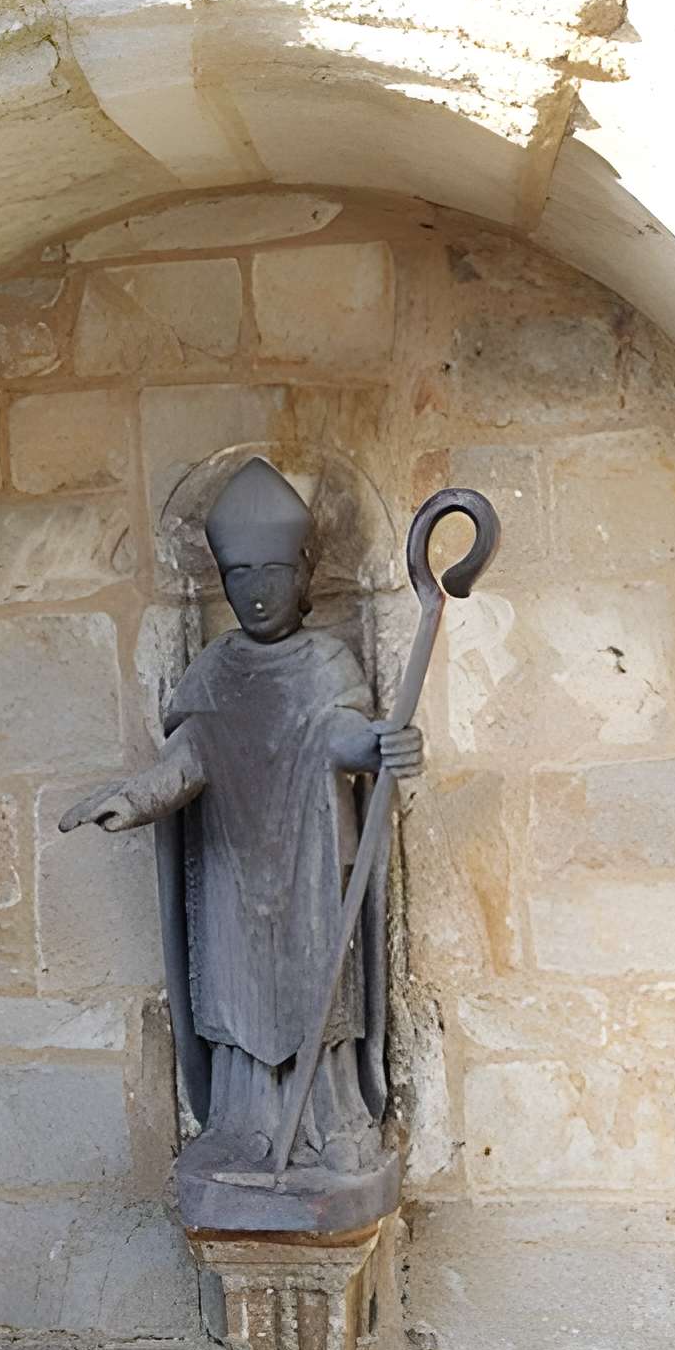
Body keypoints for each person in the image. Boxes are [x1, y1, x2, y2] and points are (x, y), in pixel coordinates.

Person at [59, 457, 422, 1181]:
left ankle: (332, 1122)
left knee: (323, 987)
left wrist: (382, 744)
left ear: (304, 573)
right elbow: (185, 760)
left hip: (312, 869)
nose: (256, 594)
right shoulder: (216, 672)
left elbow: (339, 734)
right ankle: (244, 1126)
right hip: (232, 870)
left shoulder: (325, 660)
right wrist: (129, 800)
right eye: (239, 579)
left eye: (272, 575)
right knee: (235, 996)